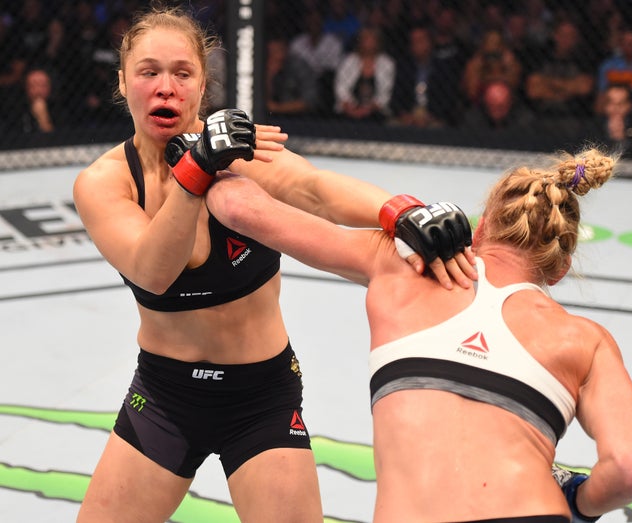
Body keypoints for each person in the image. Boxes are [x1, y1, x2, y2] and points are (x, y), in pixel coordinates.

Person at [72, 5, 471, 523]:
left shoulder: (240, 154)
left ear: (201, 85)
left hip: (259, 397)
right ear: (124, 82)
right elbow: (153, 270)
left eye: (182, 73)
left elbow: (316, 190)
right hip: (166, 397)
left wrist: (400, 210)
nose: (165, 87)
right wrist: (196, 170)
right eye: (149, 72)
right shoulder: (105, 182)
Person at [206, 147, 632, 522]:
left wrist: (203, 155)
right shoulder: (584, 339)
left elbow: (239, 207)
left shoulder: (401, 265)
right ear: (559, 269)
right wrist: (579, 500)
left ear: (479, 230)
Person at [334, 25, 396, 122]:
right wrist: (351, 109)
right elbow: (341, 88)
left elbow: (385, 94)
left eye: (372, 38)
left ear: (378, 42)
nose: (368, 42)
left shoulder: (387, 64)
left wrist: (367, 110)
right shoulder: (348, 61)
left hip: (375, 111)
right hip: (350, 109)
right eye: (365, 38)